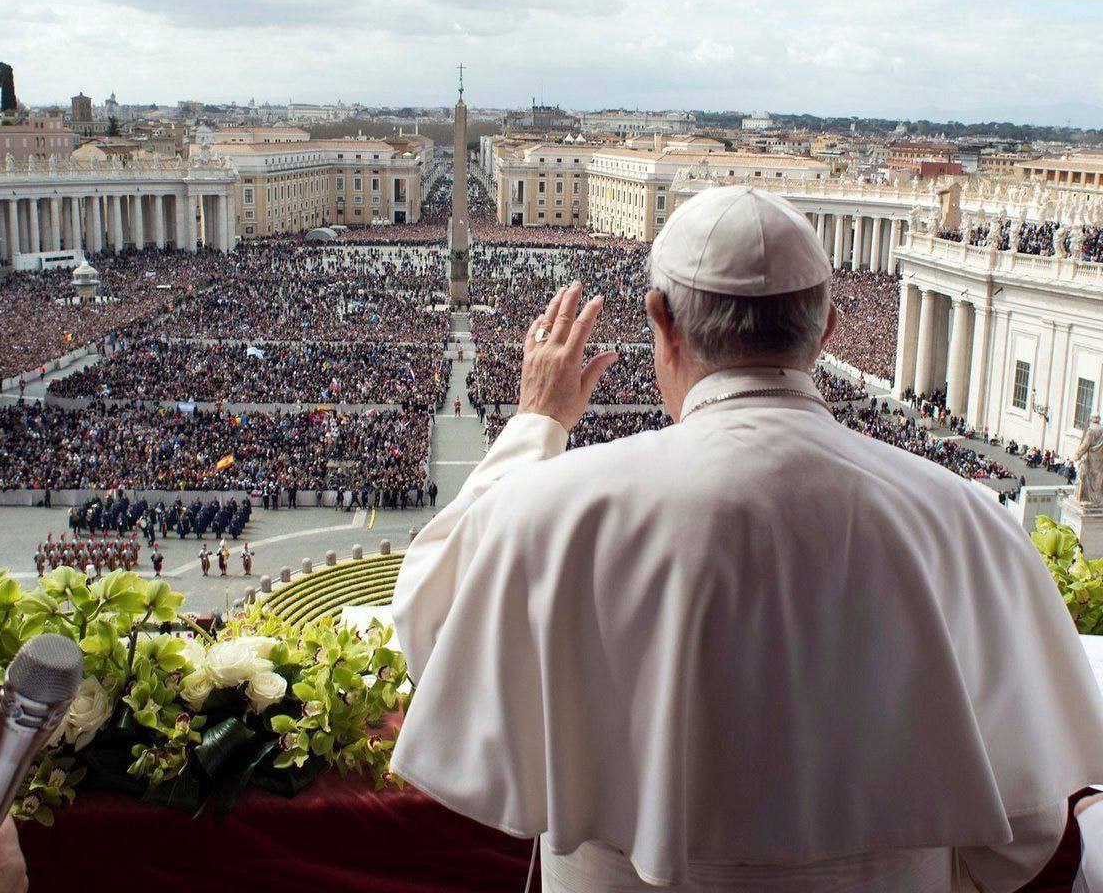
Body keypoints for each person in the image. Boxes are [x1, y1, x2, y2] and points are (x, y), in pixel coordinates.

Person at [389, 186, 1103, 893]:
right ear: (826, 331)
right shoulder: (962, 519)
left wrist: (536, 423)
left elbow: (427, 626)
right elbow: (1027, 830)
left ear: (661, 323)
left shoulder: (553, 509)